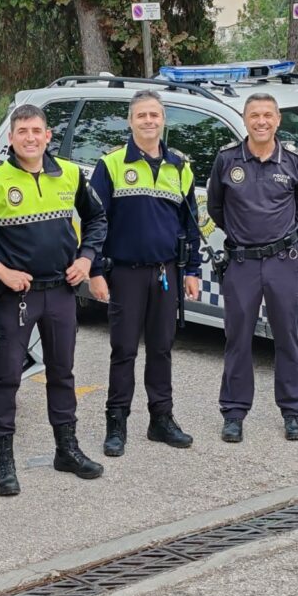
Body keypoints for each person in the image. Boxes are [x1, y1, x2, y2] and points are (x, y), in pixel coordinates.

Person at [0, 103, 107, 495]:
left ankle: (66, 449)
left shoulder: (70, 174)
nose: (31, 138)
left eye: (37, 130)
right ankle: (3, 463)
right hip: (16, 296)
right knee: (6, 379)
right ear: (12, 138)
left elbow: (98, 219)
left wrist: (86, 259)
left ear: (47, 135)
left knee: (63, 373)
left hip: (62, 292)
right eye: (23, 131)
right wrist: (0, 271)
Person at [88, 90, 201, 457]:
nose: (149, 121)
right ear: (130, 121)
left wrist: (193, 270)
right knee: (123, 349)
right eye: (142, 115)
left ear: (163, 119)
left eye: (154, 114)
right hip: (124, 273)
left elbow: (191, 223)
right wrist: (94, 270)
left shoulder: (180, 166)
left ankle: (161, 419)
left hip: (166, 271)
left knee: (162, 348)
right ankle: (116, 423)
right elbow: (94, 221)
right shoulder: (113, 164)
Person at [206, 93, 298, 443]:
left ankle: (293, 412)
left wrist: (280, 236)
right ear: (245, 119)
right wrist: (242, 236)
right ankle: (234, 413)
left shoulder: (293, 161)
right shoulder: (226, 160)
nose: (261, 121)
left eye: (268, 115)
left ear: (278, 119)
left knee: (287, 338)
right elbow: (216, 208)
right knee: (237, 339)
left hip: (284, 260)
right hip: (242, 262)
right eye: (255, 115)